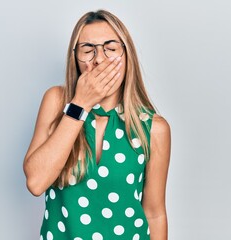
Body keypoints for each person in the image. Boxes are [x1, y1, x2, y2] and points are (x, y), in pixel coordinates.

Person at [23, 9, 171, 240]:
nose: (99, 59)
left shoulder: (154, 128)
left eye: (110, 48)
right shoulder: (56, 102)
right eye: (87, 50)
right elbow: (35, 182)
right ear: (76, 58)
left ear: (127, 54)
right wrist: (80, 104)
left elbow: (154, 213)